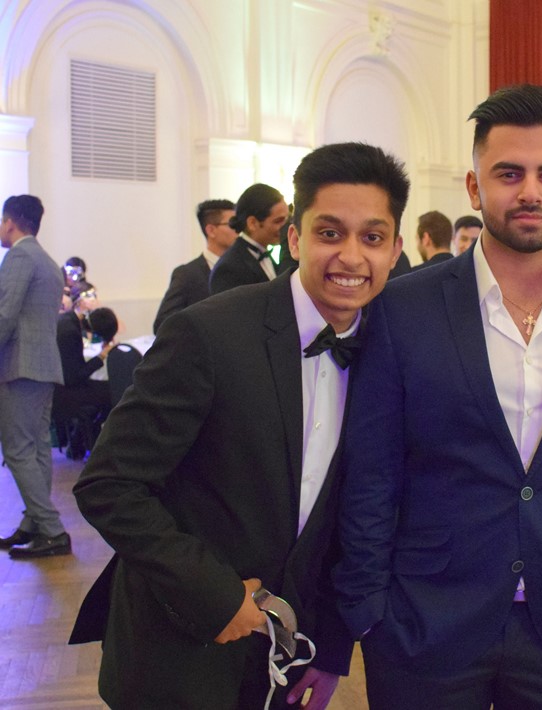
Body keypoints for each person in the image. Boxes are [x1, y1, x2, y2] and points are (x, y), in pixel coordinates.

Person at [334, 84, 542, 710]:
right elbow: (372, 469)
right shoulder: (404, 305)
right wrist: (367, 607)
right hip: (424, 621)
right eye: (509, 173)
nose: (530, 192)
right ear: (474, 186)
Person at [71, 142, 409, 709]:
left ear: (395, 250)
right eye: (329, 233)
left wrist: (330, 648)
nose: (351, 256)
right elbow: (109, 484)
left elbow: (349, 519)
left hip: (289, 658)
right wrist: (215, 595)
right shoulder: (209, 333)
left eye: (372, 237)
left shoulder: (389, 353)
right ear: (294, 239)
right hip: (178, 651)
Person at [0, 195, 72, 559]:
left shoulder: (19, 256)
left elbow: (4, 314)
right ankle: (33, 523)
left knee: (17, 450)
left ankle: (52, 529)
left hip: (20, 366)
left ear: (10, 222)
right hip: (44, 366)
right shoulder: (47, 260)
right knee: (38, 449)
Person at [152, 199, 237, 333]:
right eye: (232, 224)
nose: (238, 230)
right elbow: (163, 323)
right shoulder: (187, 274)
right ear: (211, 230)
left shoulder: (242, 269)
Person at [53, 302, 118, 460]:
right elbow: (75, 376)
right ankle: (93, 443)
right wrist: (101, 356)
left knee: (106, 391)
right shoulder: (70, 333)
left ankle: (78, 443)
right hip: (63, 394)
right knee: (113, 393)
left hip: (61, 388)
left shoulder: (67, 320)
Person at [209, 183, 289, 295]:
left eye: (287, 220)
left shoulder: (264, 254)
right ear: (252, 223)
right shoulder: (228, 268)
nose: (286, 227)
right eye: (278, 221)